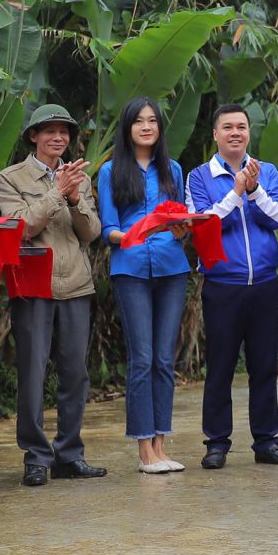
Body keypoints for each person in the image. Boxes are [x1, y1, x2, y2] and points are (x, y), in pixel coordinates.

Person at [0, 103, 106, 487]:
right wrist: (57, 193)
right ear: (33, 137)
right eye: (50, 131)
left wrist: (75, 199)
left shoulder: (79, 178)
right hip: (33, 285)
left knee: (75, 374)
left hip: (75, 284)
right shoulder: (10, 178)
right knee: (32, 372)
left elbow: (91, 232)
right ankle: (37, 456)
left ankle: (69, 454)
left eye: (64, 131)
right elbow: (21, 227)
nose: (58, 137)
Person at [186, 103, 278, 469]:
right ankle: (216, 443)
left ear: (249, 132)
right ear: (215, 134)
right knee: (220, 366)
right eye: (228, 127)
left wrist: (253, 191)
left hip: (264, 284)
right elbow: (205, 223)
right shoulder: (199, 176)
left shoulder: (268, 171)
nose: (236, 133)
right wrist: (235, 191)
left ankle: (266, 441)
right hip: (222, 285)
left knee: (265, 366)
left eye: (242, 127)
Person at [96, 97, 190, 475]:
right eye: (139, 121)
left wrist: (182, 230)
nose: (147, 127)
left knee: (166, 359)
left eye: (153, 121)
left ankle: (162, 444)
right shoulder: (110, 172)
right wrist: (136, 233)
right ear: (128, 128)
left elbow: (180, 221)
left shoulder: (174, 169)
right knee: (142, 358)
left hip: (172, 267)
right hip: (131, 268)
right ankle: (144, 448)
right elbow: (108, 230)